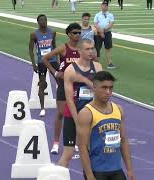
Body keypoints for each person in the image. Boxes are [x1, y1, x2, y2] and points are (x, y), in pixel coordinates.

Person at [77, 71, 136, 180]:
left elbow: (123, 140)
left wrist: (129, 169)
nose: (108, 92)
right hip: (97, 171)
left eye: (111, 88)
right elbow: (82, 147)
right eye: (104, 88)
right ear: (94, 87)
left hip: (116, 169)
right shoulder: (86, 113)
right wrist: (89, 175)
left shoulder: (119, 110)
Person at [60, 38, 102, 167]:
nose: (91, 52)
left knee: (92, 152)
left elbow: (100, 92)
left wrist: (84, 80)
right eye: (87, 49)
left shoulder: (98, 67)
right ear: (79, 51)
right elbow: (69, 99)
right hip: (73, 115)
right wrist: (77, 120)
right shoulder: (70, 70)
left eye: (92, 48)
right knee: (69, 152)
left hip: (92, 115)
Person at [42, 23, 82, 154]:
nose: (77, 35)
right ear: (69, 34)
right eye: (75, 33)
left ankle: (75, 142)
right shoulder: (63, 48)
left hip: (77, 87)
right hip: (64, 86)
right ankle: (55, 143)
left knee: (77, 115)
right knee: (60, 114)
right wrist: (55, 72)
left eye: (79, 33)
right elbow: (45, 58)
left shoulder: (82, 49)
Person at [29, 14, 59, 117]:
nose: (43, 21)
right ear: (38, 22)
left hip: (53, 60)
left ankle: (63, 104)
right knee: (42, 84)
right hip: (41, 62)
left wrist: (58, 61)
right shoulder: (34, 34)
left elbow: (54, 47)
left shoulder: (52, 32)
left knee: (61, 81)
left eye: (45, 19)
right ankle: (42, 108)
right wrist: (34, 64)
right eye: (41, 20)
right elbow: (30, 50)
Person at [94, 1, 115, 69]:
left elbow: (111, 24)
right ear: (101, 6)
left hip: (107, 33)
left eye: (106, 5)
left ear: (107, 7)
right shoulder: (97, 15)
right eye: (103, 5)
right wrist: (101, 31)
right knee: (97, 48)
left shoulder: (110, 15)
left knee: (108, 48)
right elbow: (95, 24)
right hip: (98, 33)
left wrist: (104, 30)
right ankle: (97, 63)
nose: (104, 6)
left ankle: (110, 63)